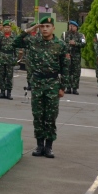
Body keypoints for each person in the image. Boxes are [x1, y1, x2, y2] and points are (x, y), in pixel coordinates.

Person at [14, 16, 69, 158]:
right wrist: (29, 30)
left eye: (48, 26)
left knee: (51, 116)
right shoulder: (34, 41)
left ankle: (49, 146)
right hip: (37, 83)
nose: (45, 29)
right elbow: (16, 42)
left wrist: (63, 87)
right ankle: (39, 145)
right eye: (42, 26)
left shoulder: (60, 44)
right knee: (38, 115)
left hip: (52, 83)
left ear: (53, 28)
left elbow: (65, 68)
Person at [0, 21, 17, 99]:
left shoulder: (14, 37)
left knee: (9, 76)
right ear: (3, 28)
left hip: (10, 58)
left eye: (8, 27)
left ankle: (9, 92)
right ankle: (2, 92)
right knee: (1, 76)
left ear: (10, 28)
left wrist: (16, 59)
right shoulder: (0, 37)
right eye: (5, 27)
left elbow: (16, 49)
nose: (6, 29)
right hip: (1, 57)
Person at [61, 20, 85, 94]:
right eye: (70, 26)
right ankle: (68, 87)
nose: (71, 27)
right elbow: (61, 44)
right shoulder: (64, 34)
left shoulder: (80, 35)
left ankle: (74, 88)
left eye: (73, 26)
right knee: (67, 71)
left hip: (76, 55)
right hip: (67, 55)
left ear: (76, 27)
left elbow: (83, 44)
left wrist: (76, 43)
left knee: (76, 72)